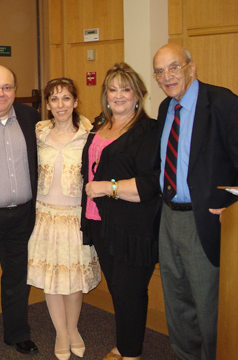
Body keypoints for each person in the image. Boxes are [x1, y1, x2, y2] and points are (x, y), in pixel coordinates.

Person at [153, 43, 238, 360]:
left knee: (207, 303)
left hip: (205, 220)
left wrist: (232, 206)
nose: (167, 76)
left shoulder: (222, 103)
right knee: (176, 299)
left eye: (173, 67)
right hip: (169, 217)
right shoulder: (165, 108)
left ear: (191, 67)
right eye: (160, 71)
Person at [81, 62, 161, 360]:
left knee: (131, 293)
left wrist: (105, 187)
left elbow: (148, 185)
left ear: (138, 95)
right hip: (100, 221)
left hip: (132, 227)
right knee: (118, 289)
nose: (119, 95)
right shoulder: (101, 125)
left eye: (126, 89)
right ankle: (126, 344)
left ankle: (130, 353)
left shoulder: (147, 130)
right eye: (113, 89)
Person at [27, 78, 101, 360]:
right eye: (55, 99)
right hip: (45, 215)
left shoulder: (89, 135)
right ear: (47, 104)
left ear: (75, 102)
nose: (60, 105)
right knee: (52, 278)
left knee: (73, 278)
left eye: (66, 98)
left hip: (74, 217)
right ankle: (60, 331)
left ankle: (73, 329)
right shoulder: (38, 133)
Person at [0, 65, 40, 360]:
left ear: (15, 89)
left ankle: (17, 333)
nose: (1, 93)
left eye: (7, 87)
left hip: (23, 217)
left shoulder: (30, 118)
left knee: (17, 279)